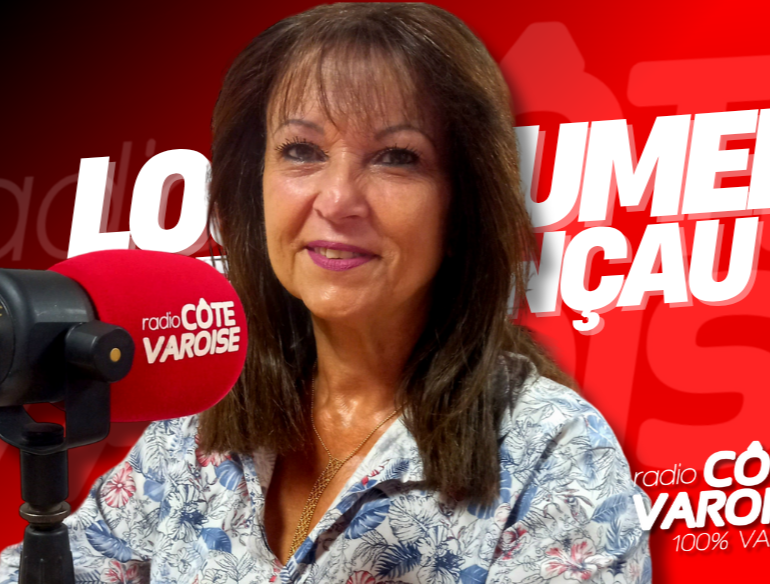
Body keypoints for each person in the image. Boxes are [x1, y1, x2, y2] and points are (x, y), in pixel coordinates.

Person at [0, 3, 650, 583]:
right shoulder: (197, 418)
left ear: (462, 206)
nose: (337, 200)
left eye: (396, 157)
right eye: (301, 150)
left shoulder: (555, 453)